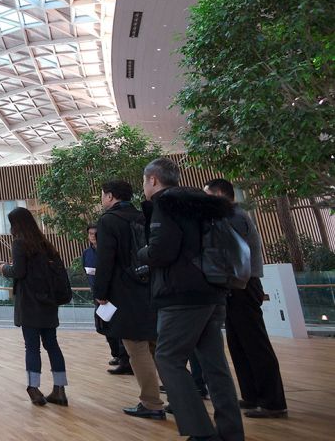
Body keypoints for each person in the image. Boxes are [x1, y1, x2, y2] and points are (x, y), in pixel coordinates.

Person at [138, 158, 244, 441]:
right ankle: (231, 431)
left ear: (153, 180)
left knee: (168, 358)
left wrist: (142, 254)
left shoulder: (166, 204)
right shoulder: (201, 202)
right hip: (213, 291)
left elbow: (162, 251)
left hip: (181, 294)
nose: (144, 188)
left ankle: (200, 432)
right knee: (214, 364)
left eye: (144, 181)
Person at [205, 178, 288, 419]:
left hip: (243, 285)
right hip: (233, 286)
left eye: (208, 194)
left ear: (220, 194)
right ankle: (252, 395)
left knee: (255, 343)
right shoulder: (228, 217)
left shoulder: (235, 218)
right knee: (238, 342)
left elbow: (232, 255)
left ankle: (273, 401)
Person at [92, 180, 164, 420]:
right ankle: (179, 397)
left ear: (110, 196)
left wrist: (100, 292)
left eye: (103, 195)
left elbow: (106, 260)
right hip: (152, 286)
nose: (102, 200)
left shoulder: (108, 221)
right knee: (158, 347)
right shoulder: (143, 215)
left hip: (125, 291)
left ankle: (152, 402)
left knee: (136, 347)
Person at [0, 207, 69, 407]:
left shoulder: (20, 243)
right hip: (48, 303)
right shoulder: (45, 244)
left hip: (30, 304)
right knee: (52, 345)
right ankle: (60, 389)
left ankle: (34, 388)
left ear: (16, 224)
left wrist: (4, 269)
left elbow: (18, 272)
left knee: (32, 347)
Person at [84, 225, 129, 371]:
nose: (93, 236)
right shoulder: (86, 254)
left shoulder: (109, 252)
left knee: (118, 327)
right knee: (104, 327)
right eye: (90, 234)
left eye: (95, 234)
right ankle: (116, 354)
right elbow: (88, 274)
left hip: (112, 296)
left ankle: (124, 359)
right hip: (97, 296)